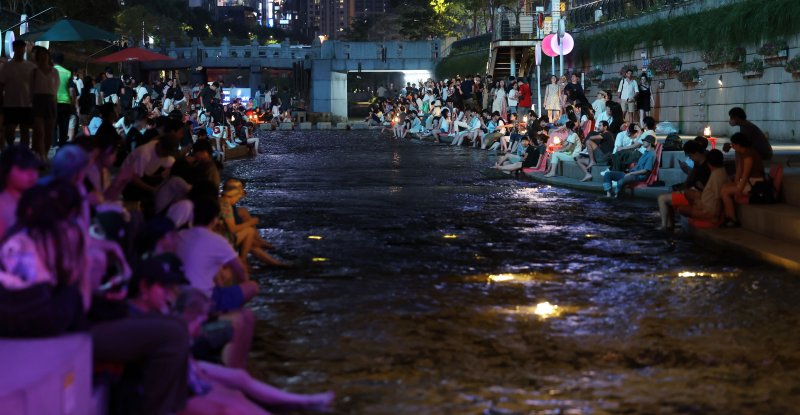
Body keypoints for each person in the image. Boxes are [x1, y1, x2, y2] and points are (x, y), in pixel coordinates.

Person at [172, 288, 335, 415]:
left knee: (239, 377)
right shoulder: (175, 333)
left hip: (188, 371)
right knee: (232, 404)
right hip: (177, 385)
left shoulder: (181, 329)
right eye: (201, 318)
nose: (202, 328)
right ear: (189, 313)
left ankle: (306, 400)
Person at [175, 198, 257, 368]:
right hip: (205, 298)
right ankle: (235, 362)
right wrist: (238, 289)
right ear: (214, 219)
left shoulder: (180, 236)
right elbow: (240, 271)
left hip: (180, 297)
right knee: (251, 289)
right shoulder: (216, 240)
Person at [657, 140, 712, 231]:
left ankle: (665, 226)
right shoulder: (699, 164)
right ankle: (669, 226)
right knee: (669, 195)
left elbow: (704, 186)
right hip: (692, 193)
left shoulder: (706, 167)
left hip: (698, 197)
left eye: (690, 156)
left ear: (696, 153)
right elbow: (691, 181)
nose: (690, 158)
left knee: (662, 199)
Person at [720, 132, 766, 227]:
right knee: (724, 187)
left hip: (755, 183)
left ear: (738, 144)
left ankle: (732, 219)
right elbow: (739, 170)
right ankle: (728, 216)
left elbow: (745, 174)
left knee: (725, 191)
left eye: (733, 144)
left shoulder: (748, 154)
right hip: (749, 181)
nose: (732, 146)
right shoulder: (742, 153)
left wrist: (739, 188)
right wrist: (736, 183)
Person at [0, 40, 36, 148]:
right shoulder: (7, 66)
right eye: (18, 48)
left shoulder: (31, 67)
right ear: (14, 49)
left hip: (26, 104)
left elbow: (35, 85)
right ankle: (11, 149)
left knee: (25, 130)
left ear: (24, 49)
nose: (20, 50)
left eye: (22, 48)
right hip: (10, 103)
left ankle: (23, 152)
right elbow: (1, 85)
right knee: (9, 131)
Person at [0, 145, 40, 236]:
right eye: (24, 168)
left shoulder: (40, 200)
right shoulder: (2, 207)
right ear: (6, 170)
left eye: (34, 168)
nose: (32, 173)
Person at [30, 46, 59, 160]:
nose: (43, 56)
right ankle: (41, 156)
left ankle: (45, 155)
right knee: (39, 131)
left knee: (48, 132)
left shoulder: (54, 71)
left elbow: (55, 89)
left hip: (50, 101)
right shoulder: (34, 71)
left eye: (45, 54)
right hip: (37, 101)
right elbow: (31, 89)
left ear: (48, 56)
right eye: (40, 54)